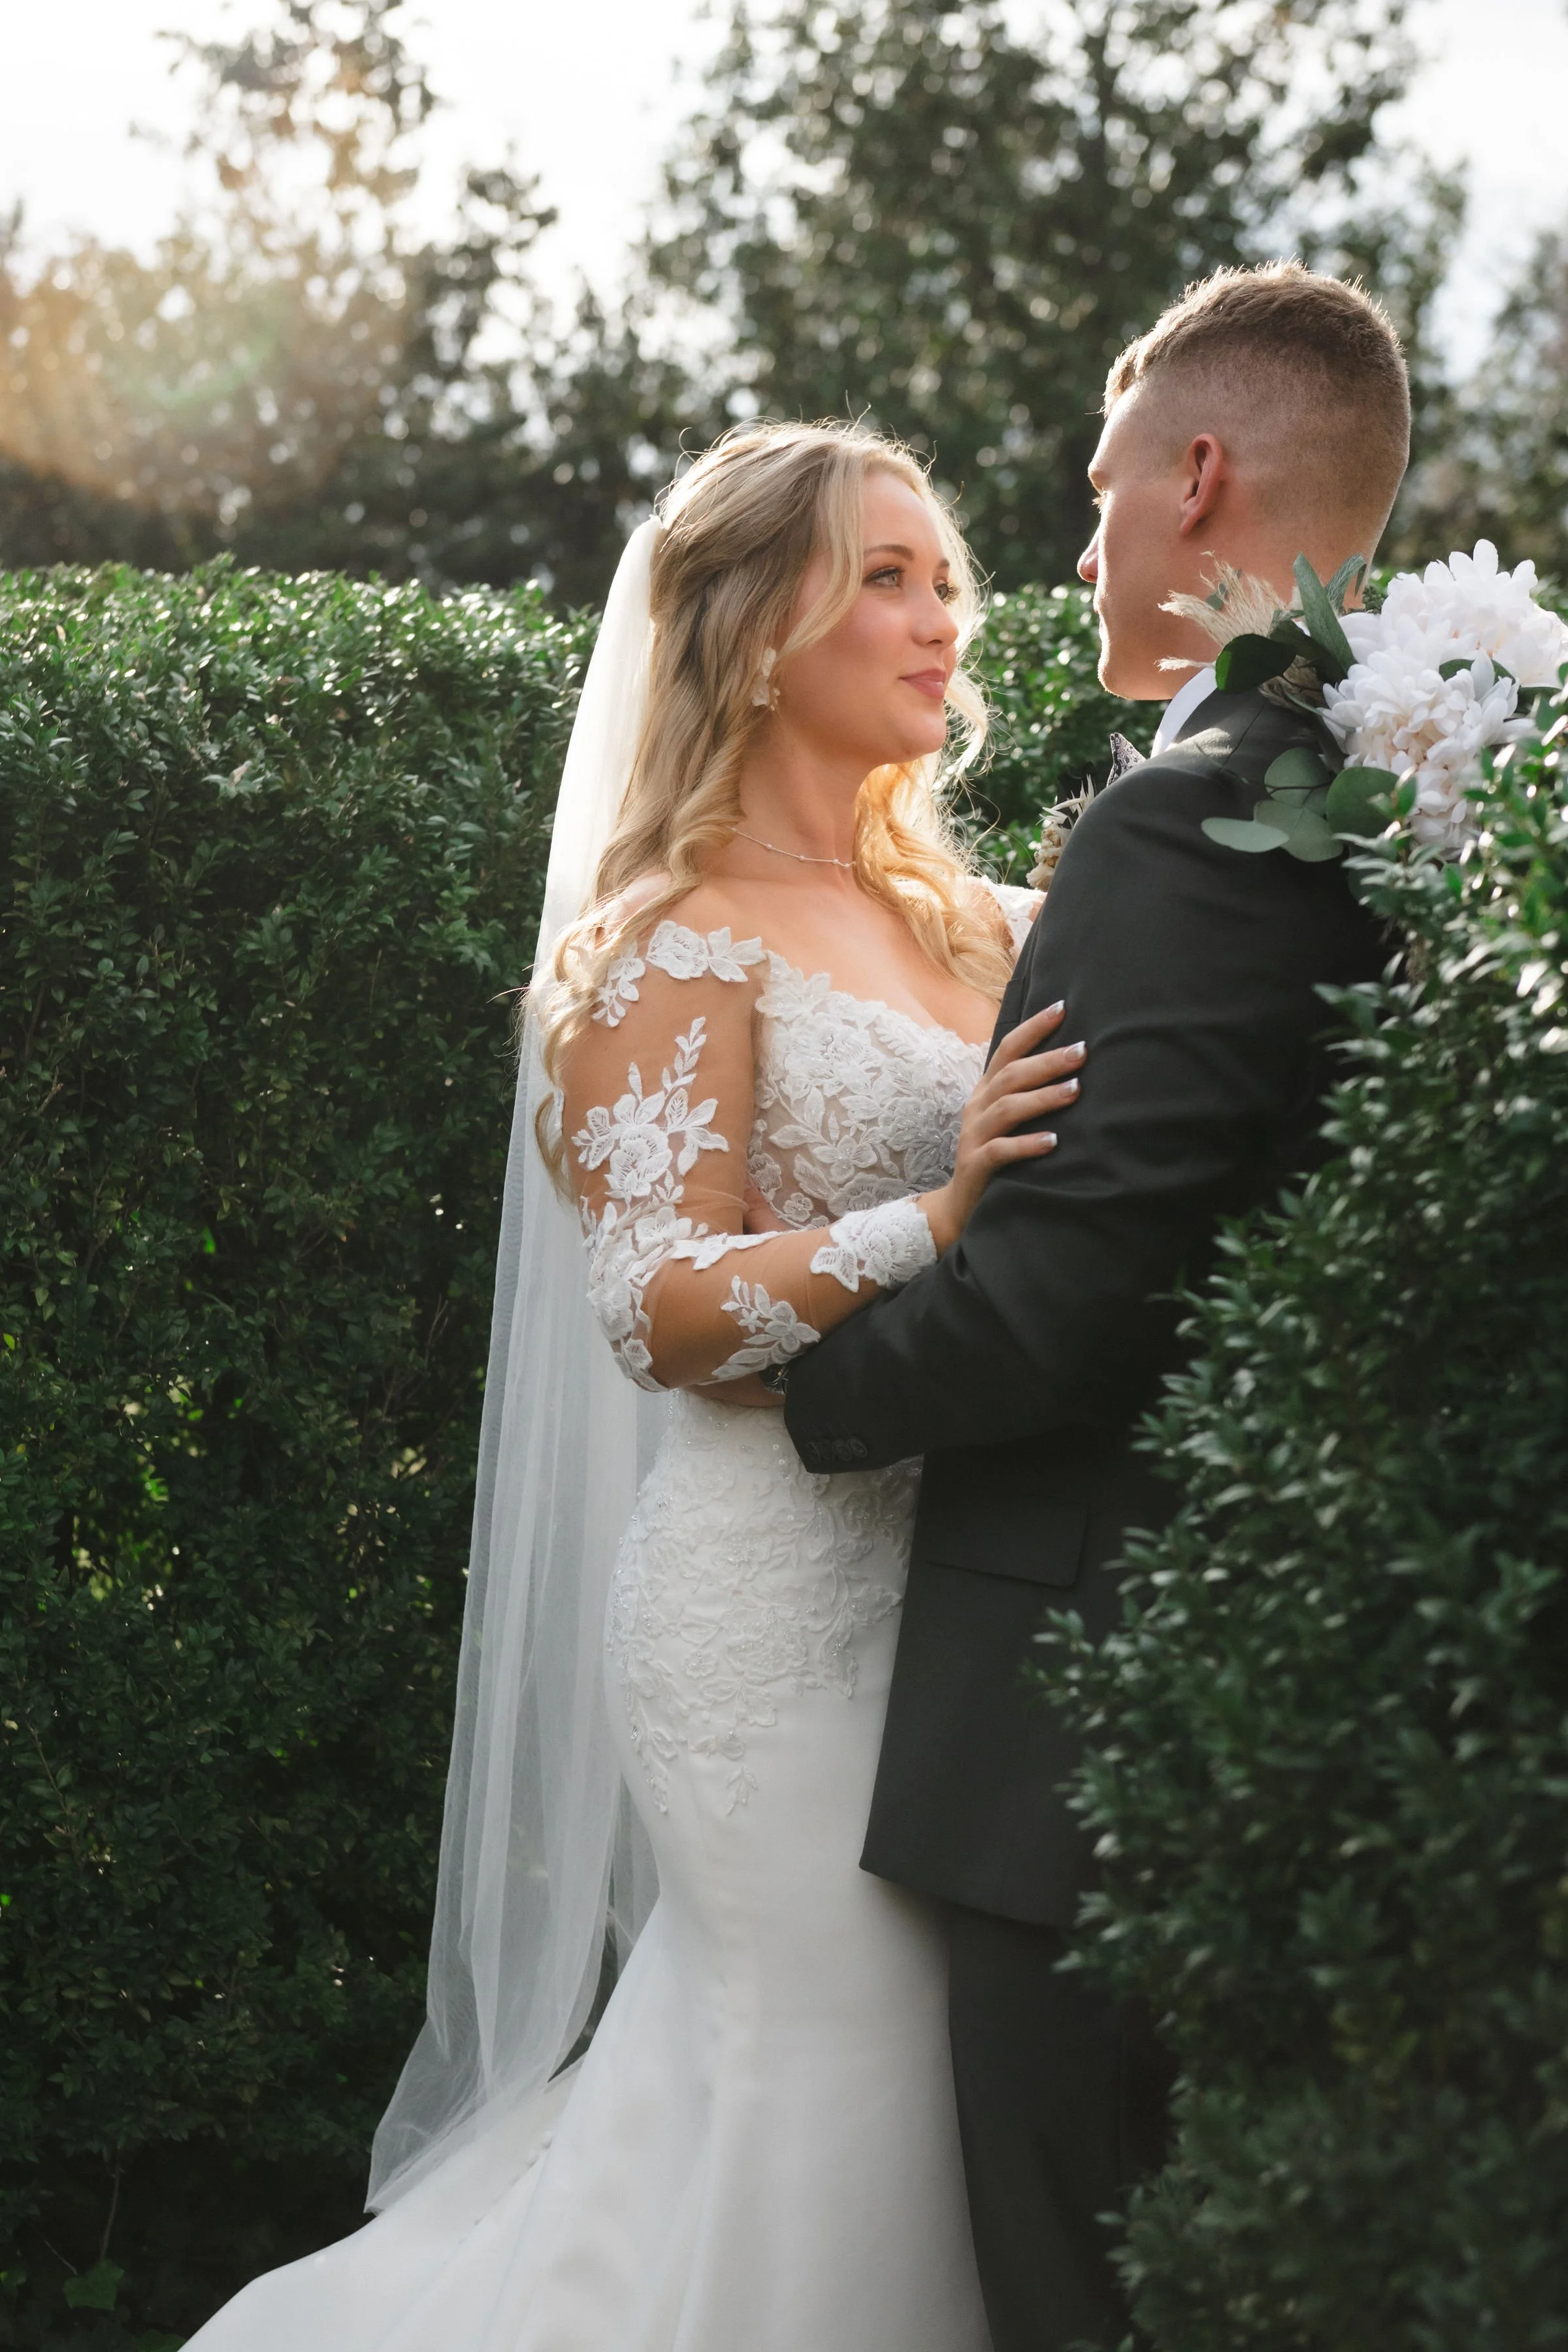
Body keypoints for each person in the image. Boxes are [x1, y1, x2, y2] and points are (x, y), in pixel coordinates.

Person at [182, 420, 1083, 2349]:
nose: (945, 621)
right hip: (774, 1612)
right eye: (887, 578)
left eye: (951, 582)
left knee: (927, 2091)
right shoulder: (661, 950)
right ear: (759, 634)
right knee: (831, 2065)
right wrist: (940, 1213)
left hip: (979, 1598)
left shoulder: (998, 926)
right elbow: (659, 1306)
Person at [780, 261, 1411, 2352]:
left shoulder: (1189, 822)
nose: (1077, 546)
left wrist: (810, 1389)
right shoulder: (1427, 781)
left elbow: (1061, 1305)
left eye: (1100, 483)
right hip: (1320, 1694)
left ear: (1200, 476)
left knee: (1069, 2290)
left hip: (1090, 1724)